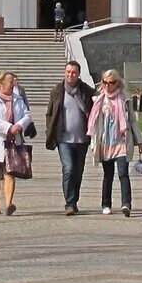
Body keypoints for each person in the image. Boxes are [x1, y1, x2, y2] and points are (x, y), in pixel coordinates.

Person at [86, 69, 142, 217]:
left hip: (122, 141)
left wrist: (140, 141)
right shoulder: (99, 99)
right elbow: (95, 122)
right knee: (108, 175)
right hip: (106, 142)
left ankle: (126, 204)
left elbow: (132, 120)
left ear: (117, 83)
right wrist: (93, 140)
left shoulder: (124, 99)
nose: (107, 86)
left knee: (123, 173)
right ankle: (106, 204)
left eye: (111, 83)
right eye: (105, 82)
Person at [45, 60, 95, 215]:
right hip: (64, 139)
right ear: (64, 72)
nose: (70, 75)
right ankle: (69, 203)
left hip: (82, 139)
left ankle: (74, 200)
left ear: (78, 74)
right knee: (68, 168)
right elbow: (50, 112)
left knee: (78, 171)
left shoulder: (86, 91)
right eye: (68, 72)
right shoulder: (58, 90)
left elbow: (95, 108)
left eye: (73, 72)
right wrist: (50, 130)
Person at [0, 71, 32, 215]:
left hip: (12, 142)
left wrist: (20, 125)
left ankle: (9, 203)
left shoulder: (18, 99)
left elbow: (27, 115)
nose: (14, 84)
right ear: (1, 84)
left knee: (10, 172)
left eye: (15, 81)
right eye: (11, 81)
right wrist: (9, 127)